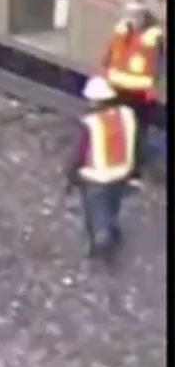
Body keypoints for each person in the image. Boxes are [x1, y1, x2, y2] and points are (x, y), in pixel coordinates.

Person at [66, 76, 139, 266]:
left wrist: (70, 173)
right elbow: (136, 144)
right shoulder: (127, 114)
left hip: (96, 178)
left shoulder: (90, 123)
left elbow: (79, 152)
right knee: (112, 207)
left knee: (97, 215)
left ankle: (103, 252)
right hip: (122, 173)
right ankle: (113, 233)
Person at [102, 0, 166, 174]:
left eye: (135, 14)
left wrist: (153, 89)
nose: (131, 18)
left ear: (143, 15)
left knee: (138, 131)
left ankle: (134, 168)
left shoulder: (153, 37)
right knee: (119, 128)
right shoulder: (121, 29)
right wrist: (104, 75)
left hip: (139, 94)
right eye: (128, 13)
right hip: (117, 89)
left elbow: (158, 65)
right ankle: (119, 162)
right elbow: (110, 55)